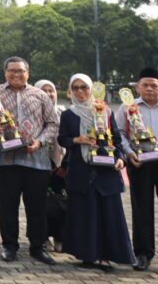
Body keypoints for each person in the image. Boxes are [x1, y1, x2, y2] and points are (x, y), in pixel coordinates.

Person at [0, 56, 59, 265]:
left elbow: (53, 123)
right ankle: (10, 246)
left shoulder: (40, 95)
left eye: (20, 71)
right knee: (8, 205)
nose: (16, 74)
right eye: (12, 70)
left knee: (37, 206)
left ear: (27, 73)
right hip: (6, 159)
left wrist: (40, 142)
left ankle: (38, 247)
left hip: (35, 159)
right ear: (5, 73)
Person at [58, 73, 134, 272]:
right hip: (81, 170)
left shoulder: (105, 112)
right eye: (75, 88)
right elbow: (62, 139)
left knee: (108, 214)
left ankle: (106, 257)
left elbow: (116, 139)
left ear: (91, 89)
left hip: (105, 170)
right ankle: (88, 255)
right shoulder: (68, 114)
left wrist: (120, 158)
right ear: (70, 91)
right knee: (85, 214)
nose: (80, 91)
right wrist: (77, 140)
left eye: (84, 87)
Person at [116, 67, 158, 275]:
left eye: (154, 85)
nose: (150, 89)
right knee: (141, 208)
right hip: (139, 163)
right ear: (138, 87)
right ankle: (143, 253)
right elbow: (119, 133)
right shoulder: (127, 108)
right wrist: (128, 153)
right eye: (145, 85)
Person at [35, 79, 66, 252]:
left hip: (60, 163)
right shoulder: (32, 113)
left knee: (61, 200)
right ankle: (43, 236)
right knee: (40, 202)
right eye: (43, 90)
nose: (48, 94)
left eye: (51, 90)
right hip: (37, 162)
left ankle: (60, 237)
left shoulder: (63, 112)